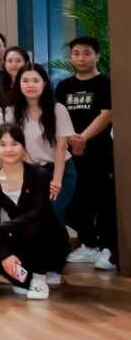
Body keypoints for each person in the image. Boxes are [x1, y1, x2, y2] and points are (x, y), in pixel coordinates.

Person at [0, 124, 69, 300]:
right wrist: (5, 255)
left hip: (47, 238)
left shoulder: (39, 175)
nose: (9, 149)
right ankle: (21, 275)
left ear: (23, 146)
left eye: (14, 143)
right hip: (20, 238)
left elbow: (40, 212)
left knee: (34, 228)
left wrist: (2, 228)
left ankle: (39, 276)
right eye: (2, 144)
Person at [56, 36, 117, 271]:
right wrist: (70, 138)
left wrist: (82, 137)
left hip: (99, 152)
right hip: (71, 153)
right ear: (71, 57)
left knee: (103, 200)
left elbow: (107, 114)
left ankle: (108, 248)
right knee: (76, 200)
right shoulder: (63, 86)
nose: (81, 58)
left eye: (87, 53)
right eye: (76, 53)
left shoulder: (105, 83)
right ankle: (88, 244)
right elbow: (58, 115)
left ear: (97, 56)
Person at [4, 64, 76, 227]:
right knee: (34, 217)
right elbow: (15, 145)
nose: (30, 85)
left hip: (61, 170)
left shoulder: (58, 109)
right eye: (25, 81)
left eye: (35, 80)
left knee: (54, 213)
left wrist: (56, 181)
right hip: (30, 170)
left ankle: (59, 244)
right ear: (18, 84)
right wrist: (34, 171)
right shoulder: (11, 112)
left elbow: (61, 147)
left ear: (44, 83)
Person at [0, 46, 31, 112]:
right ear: (5, 64)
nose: (14, 65)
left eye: (18, 61)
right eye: (10, 61)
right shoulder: (2, 89)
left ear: (26, 63)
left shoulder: (32, 86)